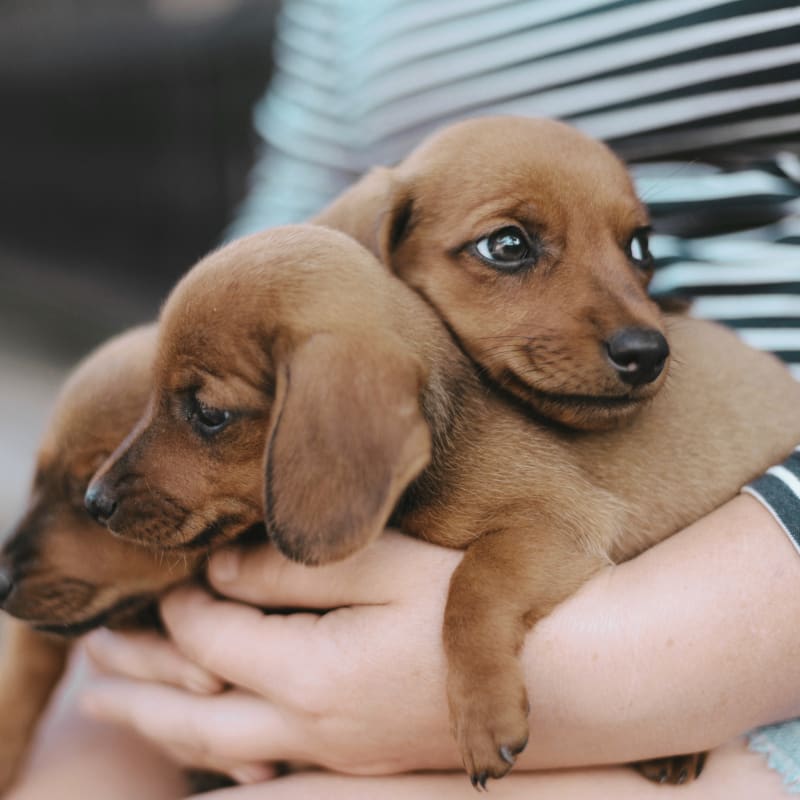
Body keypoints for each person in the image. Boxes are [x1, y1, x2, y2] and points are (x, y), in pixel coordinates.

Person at [8, 0, 800, 797]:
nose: (637, 331)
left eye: (637, 249)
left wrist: (635, 678)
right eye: (509, 247)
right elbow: (291, 221)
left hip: (748, 630)